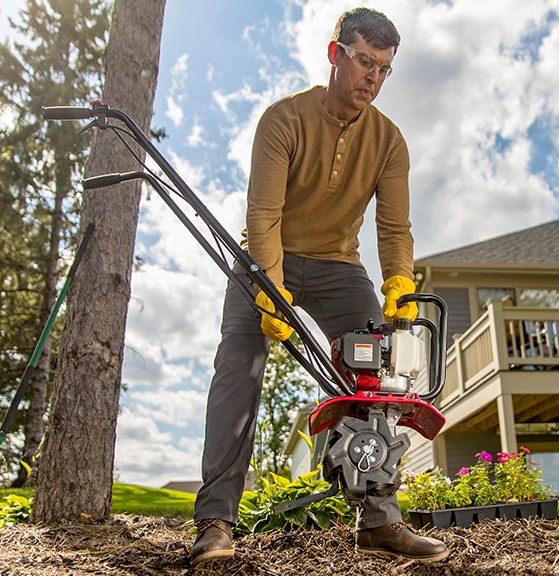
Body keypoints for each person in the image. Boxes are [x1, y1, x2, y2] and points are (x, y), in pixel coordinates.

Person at [190, 6, 448, 567]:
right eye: (363, 62)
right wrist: (271, 291)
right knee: (239, 367)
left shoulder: (390, 142)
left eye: (383, 69)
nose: (372, 79)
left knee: (375, 373)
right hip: (265, 259)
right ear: (335, 55)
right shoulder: (283, 120)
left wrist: (400, 282)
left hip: (338, 266)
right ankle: (215, 523)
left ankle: (379, 520)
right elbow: (263, 216)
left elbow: (395, 228)